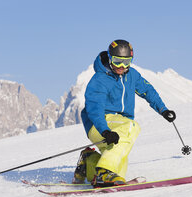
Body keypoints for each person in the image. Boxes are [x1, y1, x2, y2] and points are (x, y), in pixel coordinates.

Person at [73, 39, 176, 187]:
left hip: (117, 124)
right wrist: (105, 131)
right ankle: (104, 172)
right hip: (98, 123)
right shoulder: (100, 80)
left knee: (119, 169)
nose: (121, 67)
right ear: (109, 58)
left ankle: (89, 161)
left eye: (126, 62)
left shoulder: (131, 75)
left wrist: (163, 110)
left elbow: (148, 91)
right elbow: (95, 109)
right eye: (117, 61)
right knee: (132, 127)